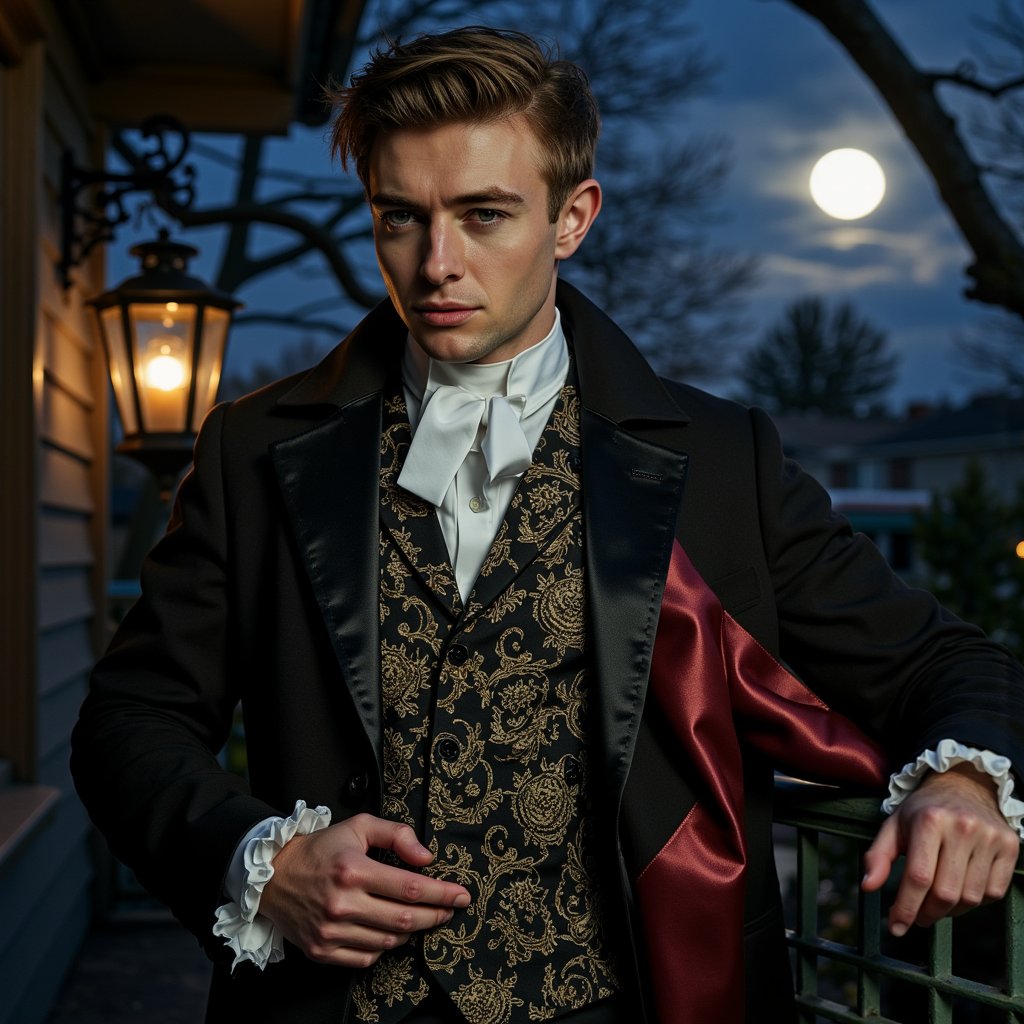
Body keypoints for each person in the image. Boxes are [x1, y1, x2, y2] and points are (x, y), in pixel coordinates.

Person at [71, 26, 1024, 1024]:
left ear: (573, 217)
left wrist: (962, 777)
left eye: (484, 215)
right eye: (400, 217)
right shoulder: (252, 449)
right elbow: (127, 722)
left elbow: (947, 662)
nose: (435, 263)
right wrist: (258, 860)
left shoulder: (720, 460)